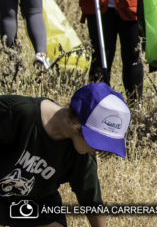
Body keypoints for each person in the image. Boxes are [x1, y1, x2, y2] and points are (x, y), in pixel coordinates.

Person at [0, 82, 131, 227]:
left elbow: (91, 200)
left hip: (36, 202)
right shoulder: (16, 113)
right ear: (77, 124)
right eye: (98, 141)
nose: (98, 150)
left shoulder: (82, 154)